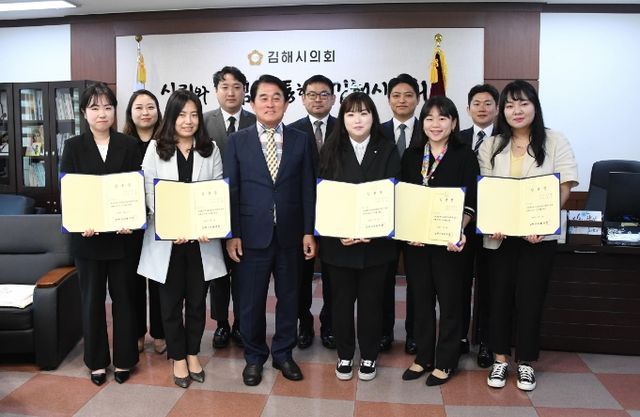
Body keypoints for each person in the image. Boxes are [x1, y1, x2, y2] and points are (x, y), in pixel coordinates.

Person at [478, 80, 578, 391]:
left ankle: (525, 362)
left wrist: (544, 223)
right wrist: (493, 221)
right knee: (498, 299)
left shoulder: (555, 140)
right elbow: (487, 190)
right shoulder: (491, 145)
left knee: (530, 299)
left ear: (535, 106)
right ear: (502, 111)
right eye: (509, 105)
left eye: (523, 103)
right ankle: (499, 359)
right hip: (500, 238)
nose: (516, 110)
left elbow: (565, 186)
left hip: (538, 239)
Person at [225, 74, 316, 386]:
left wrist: (308, 231)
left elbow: (308, 188)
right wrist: (233, 234)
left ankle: (283, 354)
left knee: (289, 297)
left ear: (286, 104)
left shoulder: (300, 139)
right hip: (251, 235)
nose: (270, 103)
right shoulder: (237, 140)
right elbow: (231, 190)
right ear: (252, 103)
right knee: (250, 301)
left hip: (291, 234)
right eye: (263, 97)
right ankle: (254, 357)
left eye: (277, 97)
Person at [137, 89, 227, 389]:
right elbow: (148, 190)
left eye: (194, 114)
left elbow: (216, 190)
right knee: (171, 303)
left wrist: (209, 223)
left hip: (201, 241)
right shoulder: (156, 148)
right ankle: (177, 357)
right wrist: (170, 224)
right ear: (171, 117)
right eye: (182, 115)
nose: (188, 121)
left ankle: (192, 353)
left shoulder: (210, 149)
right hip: (168, 241)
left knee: (198, 302)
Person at [60, 82, 140, 386]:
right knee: (91, 301)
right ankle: (95, 361)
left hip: (122, 238)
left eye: (107, 107)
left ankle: (124, 359)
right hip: (88, 239)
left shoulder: (128, 145)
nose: (102, 113)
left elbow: (136, 189)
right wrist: (81, 221)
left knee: (125, 300)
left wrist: (131, 218)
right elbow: (69, 192)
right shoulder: (73, 146)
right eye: (94, 108)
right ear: (84, 112)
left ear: (115, 111)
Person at [318, 92, 400, 382]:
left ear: (373, 117)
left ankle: (368, 355)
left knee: (371, 303)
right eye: (351, 113)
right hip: (338, 244)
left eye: (364, 113)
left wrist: (374, 230)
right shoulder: (330, 149)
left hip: (376, 245)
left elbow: (394, 193)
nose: (358, 119)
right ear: (343, 118)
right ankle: (344, 354)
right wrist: (339, 230)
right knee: (340, 303)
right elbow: (323, 197)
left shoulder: (387, 149)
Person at [400, 96, 479, 386]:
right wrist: (410, 230)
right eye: (429, 118)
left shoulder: (464, 155)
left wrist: (459, 230)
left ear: (454, 123)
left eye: (443, 118)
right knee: (420, 301)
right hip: (417, 244)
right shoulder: (411, 155)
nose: (435, 124)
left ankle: (446, 361)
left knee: (450, 302)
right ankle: (423, 357)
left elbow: (471, 200)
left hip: (450, 244)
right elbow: (403, 198)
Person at [203, 66, 256, 350]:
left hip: (247, 207)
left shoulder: (256, 120)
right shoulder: (202, 122)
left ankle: (241, 324)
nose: (231, 92)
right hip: (213, 208)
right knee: (219, 272)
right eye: (225, 87)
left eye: (237, 87)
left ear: (245, 90)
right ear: (216, 91)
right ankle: (222, 323)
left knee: (244, 271)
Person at [289, 74, 337, 350]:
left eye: (323, 94)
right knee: (300, 276)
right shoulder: (291, 131)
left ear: (333, 98)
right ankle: (304, 324)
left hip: (335, 215)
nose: (317, 99)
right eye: (311, 94)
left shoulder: (344, 128)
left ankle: (329, 325)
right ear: (303, 98)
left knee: (333, 276)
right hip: (300, 216)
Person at [458, 83, 500, 367]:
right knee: (459, 283)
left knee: (488, 284)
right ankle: (460, 336)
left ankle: (485, 341)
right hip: (460, 222)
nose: (482, 108)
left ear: (497, 109)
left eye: (488, 103)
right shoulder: (457, 138)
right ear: (468, 108)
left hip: (494, 224)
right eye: (476, 103)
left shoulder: (506, 139)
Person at [380, 73, 421, 354]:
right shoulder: (377, 131)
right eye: (396, 95)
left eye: (408, 95)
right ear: (389, 100)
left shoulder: (429, 129)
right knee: (383, 278)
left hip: (417, 217)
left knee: (417, 279)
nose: (402, 100)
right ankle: (384, 332)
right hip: (383, 216)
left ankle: (414, 334)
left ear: (417, 99)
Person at [122, 89, 166, 355]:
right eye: (139, 107)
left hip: (160, 220)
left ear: (158, 111)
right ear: (130, 113)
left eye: (150, 107)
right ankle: (138, 332)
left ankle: (160, 333)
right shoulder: (122, 144)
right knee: (133, 280)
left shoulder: (166, 142)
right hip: (129, 223)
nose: (145, 112)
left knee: (159, 278)